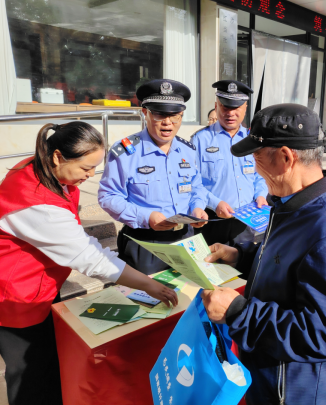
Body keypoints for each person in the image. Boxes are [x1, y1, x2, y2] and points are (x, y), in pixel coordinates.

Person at [200, 103, 326, 405]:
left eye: (256, 157)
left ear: (285, 157)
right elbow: (290, 265)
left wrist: (239, 312)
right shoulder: (294, 205)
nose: (255, 168)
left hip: (293, 390)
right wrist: (241, 257)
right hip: (271, 373)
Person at [0, 122, 178, 405]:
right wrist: (148, 285)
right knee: (30, 375)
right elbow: (90, 256)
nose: (91, 175)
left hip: (41, 284)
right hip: (17, 296)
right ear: (58, 156)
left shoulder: (46, 169)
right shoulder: (36, 202)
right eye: (86, 168)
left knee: (49, 364)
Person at [98, 79, 209, 275]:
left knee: (190, 291)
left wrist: (197, 207)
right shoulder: (125, 152)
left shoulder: (188, 150)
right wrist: (145, 217)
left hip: (186, 240)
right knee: (147, 295)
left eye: (174, 116)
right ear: (145, 112)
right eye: (160, 114)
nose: (168, 122)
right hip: (146, 244)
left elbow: (196, 187)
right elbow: (108, 196)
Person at [192, 80, 268, 245]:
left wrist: (261, 195)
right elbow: (192, 182)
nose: (230, 113)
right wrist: (215, 203)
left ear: (245, 108)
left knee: (243, 259)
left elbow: (260, 175)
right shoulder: (200, 140)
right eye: (225, 107)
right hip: (211, 220)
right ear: (216, 106)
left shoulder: (253, 139)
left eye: (236, 108)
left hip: (245, 222)